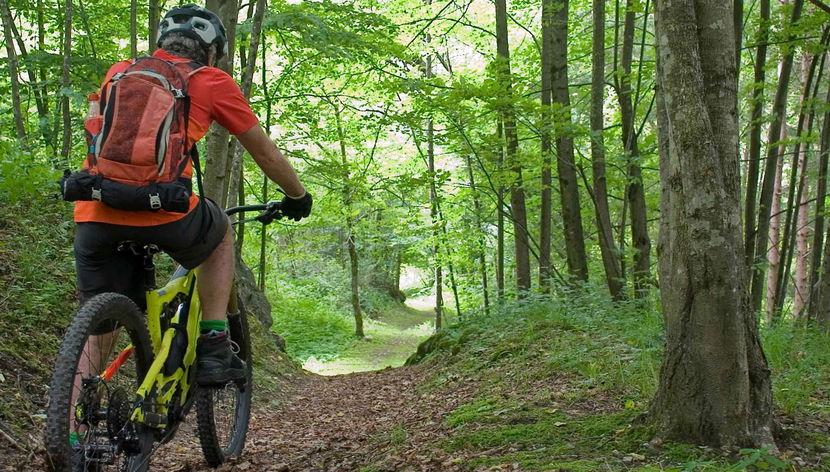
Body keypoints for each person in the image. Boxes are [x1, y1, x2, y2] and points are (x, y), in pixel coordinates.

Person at [73, 4, 312, 388]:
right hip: (165, 211)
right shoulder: (211, 81)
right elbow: (264, 151)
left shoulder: (119, 73)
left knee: (97, 333)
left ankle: (67, 434)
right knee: (218, 233)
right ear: (213, 51)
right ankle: (214, 343)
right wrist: (297, 195)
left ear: (161, 42)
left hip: (96, 210)